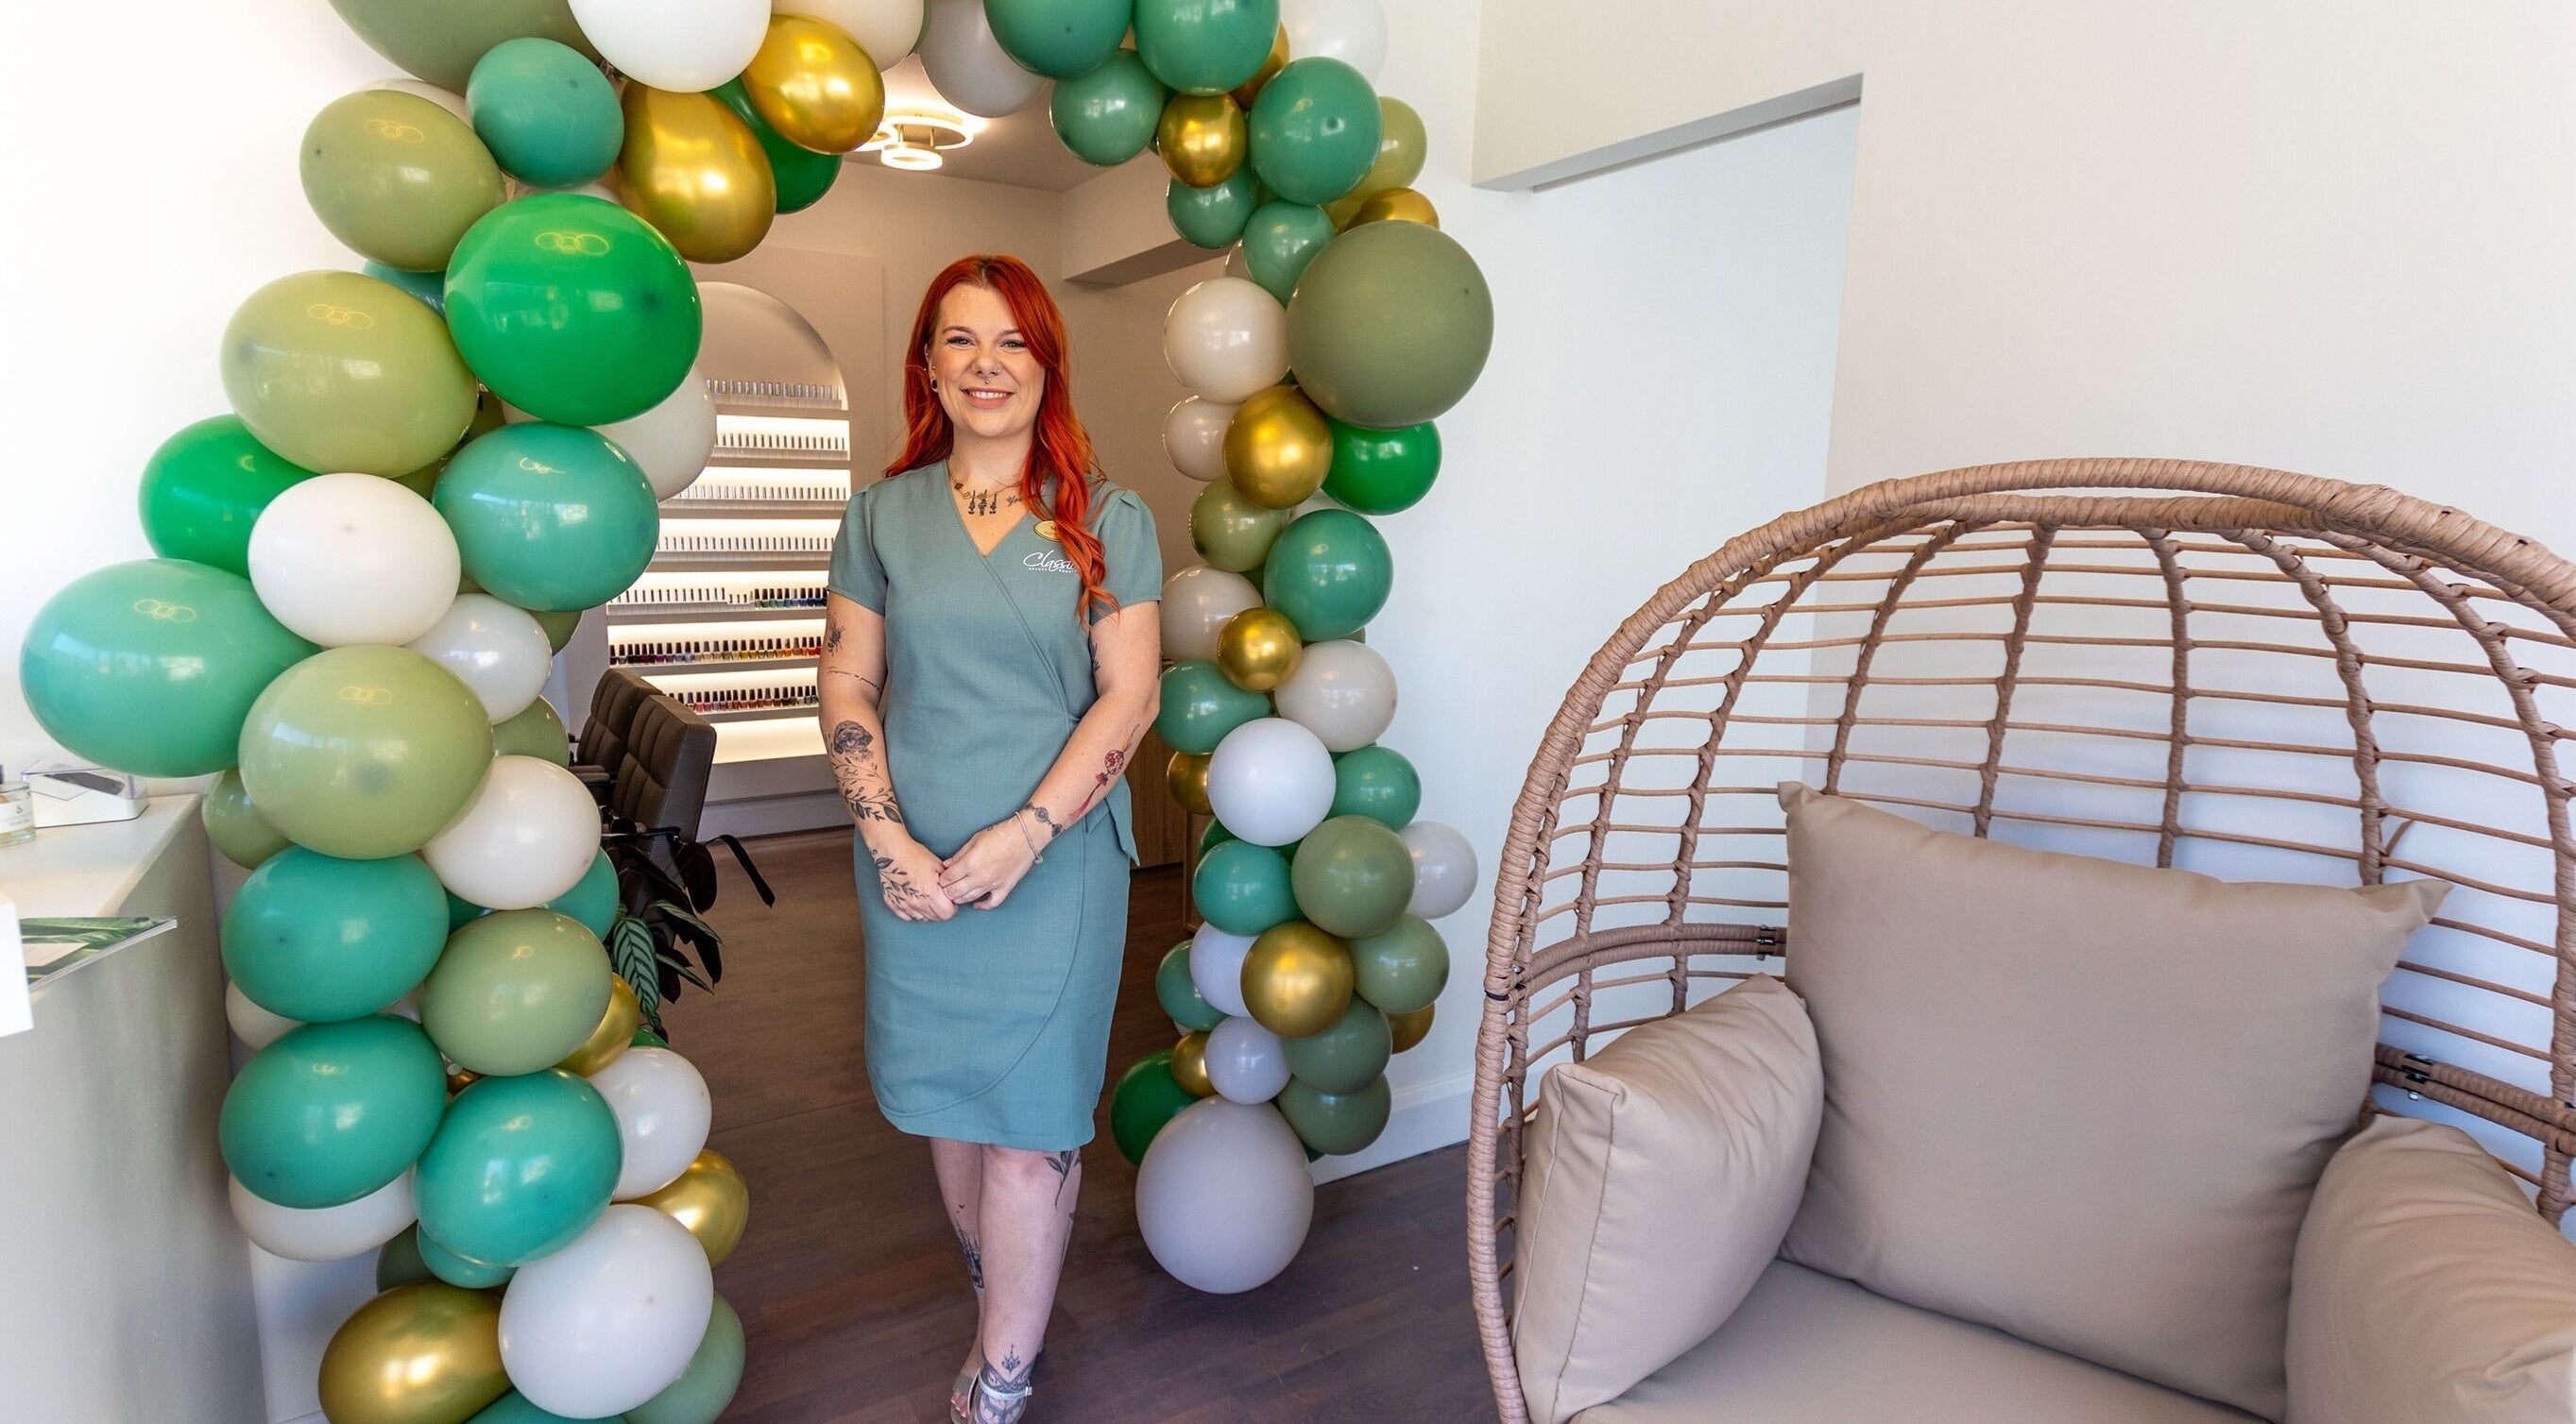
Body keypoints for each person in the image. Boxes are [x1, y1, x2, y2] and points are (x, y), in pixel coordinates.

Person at [817, 253, 1162, 1424]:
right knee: (952, 1105)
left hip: (1052, 866)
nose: (986, 364)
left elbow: (1130, 697)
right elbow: (849, 680)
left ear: (1047, 360)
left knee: (1031, 1122)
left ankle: (1003, 1370)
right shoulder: (880, 516)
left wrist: (1025, 832)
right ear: (927, 363)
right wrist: (885, 837)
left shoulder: (1108, 518)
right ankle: (999, 1293)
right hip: (909, 861)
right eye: (961, 340)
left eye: (1012, 340)